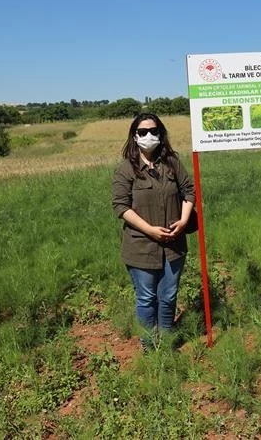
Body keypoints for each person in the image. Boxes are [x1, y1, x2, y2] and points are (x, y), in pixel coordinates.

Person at [112, 113, 195, 350]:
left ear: (161, 133)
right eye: (142, 132)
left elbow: (189, 191)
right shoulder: (126, 169)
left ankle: (166, 344)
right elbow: (120, 206)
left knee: (168, 296)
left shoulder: (171, 163)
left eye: (154, 131)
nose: (149, 136)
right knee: (147, 298)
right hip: (140, 246)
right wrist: (149, 230)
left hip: (173, 245)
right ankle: (149, 346)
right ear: (134, 136)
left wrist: (183, 220)